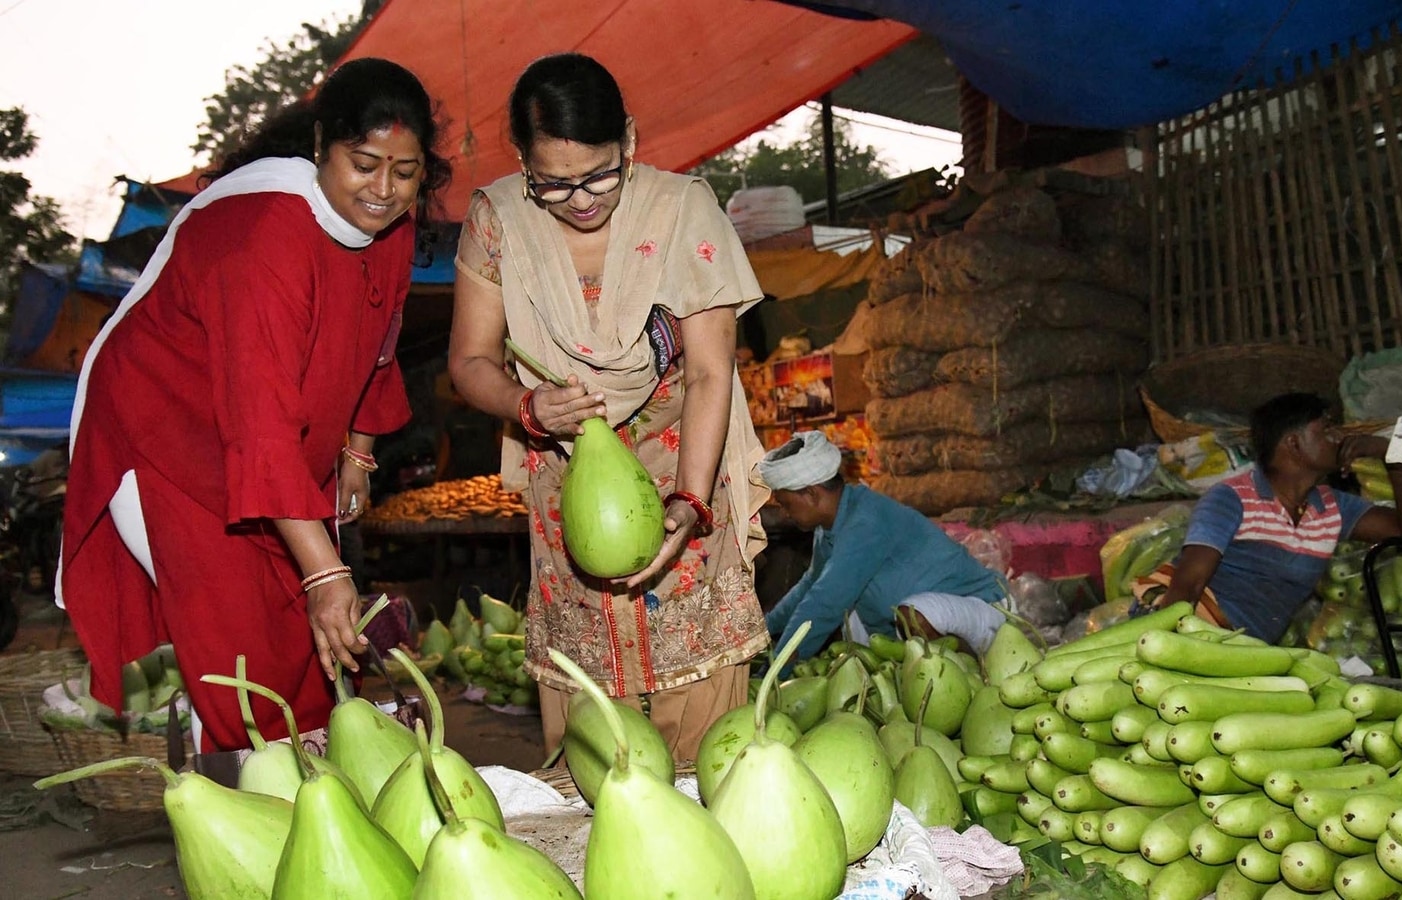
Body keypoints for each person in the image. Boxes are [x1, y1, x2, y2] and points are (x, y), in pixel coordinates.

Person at [57, 58, 451, 752]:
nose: (383, 190)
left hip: (269, 449)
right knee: (243, 643)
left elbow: (379, 335)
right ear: (323, 143)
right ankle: (259, 806)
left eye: (405, 170)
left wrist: (357, 451)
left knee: (307, 633)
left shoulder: (390, 221)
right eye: (364, 164)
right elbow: (258, 420)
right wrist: (327, 571)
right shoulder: (261, 235)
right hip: (168, 439)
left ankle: (323, 795)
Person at [447, 53, 769, 760]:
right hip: (566, 480)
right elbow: (469, 362)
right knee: (595, 723)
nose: (583, 199)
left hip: (683, 464)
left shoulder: (682, 210)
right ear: (523, 163)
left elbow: (713, 372)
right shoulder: (498, 220)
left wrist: (689, 501)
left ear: (630, 139)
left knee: (704, 705)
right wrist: (528, 407)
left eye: (600, 173)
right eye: (554, 184)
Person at [1140, 392, 1402, 643]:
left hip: (1242, 648)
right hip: (1194, 632)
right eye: (1327, 430)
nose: (1340, 438)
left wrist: (1392, 460)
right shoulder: (1231, 498)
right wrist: (1170, 653)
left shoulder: (1333, 507)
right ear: (1294, 444)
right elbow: (1189, 583)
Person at [761, 431, 1010, 667]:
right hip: (914, 626)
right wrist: (763, 629)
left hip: (981, 609)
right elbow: (809, 587)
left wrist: (773, 674)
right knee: (851, 622)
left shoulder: (866, 521)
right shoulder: (828, 529)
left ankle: (970, 675)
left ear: (812, 494)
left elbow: (823, 604)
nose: (784, 513)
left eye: (786, 504)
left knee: (910, 615)